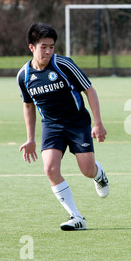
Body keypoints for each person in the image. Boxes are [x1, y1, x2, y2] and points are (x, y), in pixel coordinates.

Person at [17, 23, 109, 231]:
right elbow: (28, 105)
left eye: (51, 46)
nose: (48, 51)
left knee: (86, 170)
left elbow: (89, 90)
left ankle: (98, 173)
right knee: (50, 169)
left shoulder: (64, 65)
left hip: (77, 123)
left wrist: (98, 122)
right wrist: (31, 138)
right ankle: (76, 216)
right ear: (32, 47)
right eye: (43, 47)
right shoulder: (23, 76)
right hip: (51, 125)